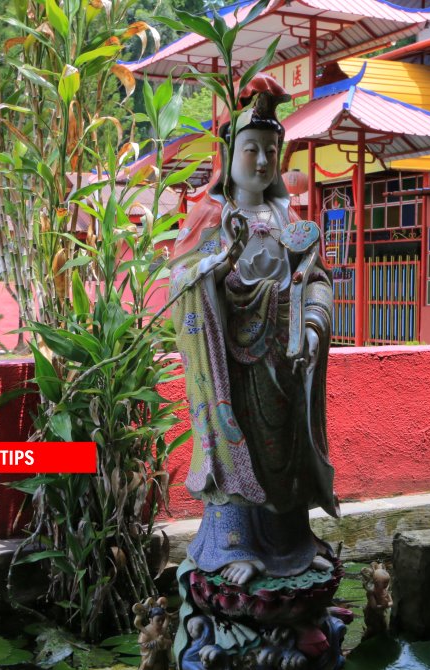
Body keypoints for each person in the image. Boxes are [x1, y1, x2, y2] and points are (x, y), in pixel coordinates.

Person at [170, 75, 338, 588]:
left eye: (271, 150)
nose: (263, 162)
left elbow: (317, 278)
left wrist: (312, 324)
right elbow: (182, 280)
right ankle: (232, 547)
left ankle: (290, 544)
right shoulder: (211, 215)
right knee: (235, 447)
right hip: (232, 363)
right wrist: (216, 268)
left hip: (284, 358)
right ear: (230, 154)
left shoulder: (289, 214)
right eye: (252, 149)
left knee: (282, 453)